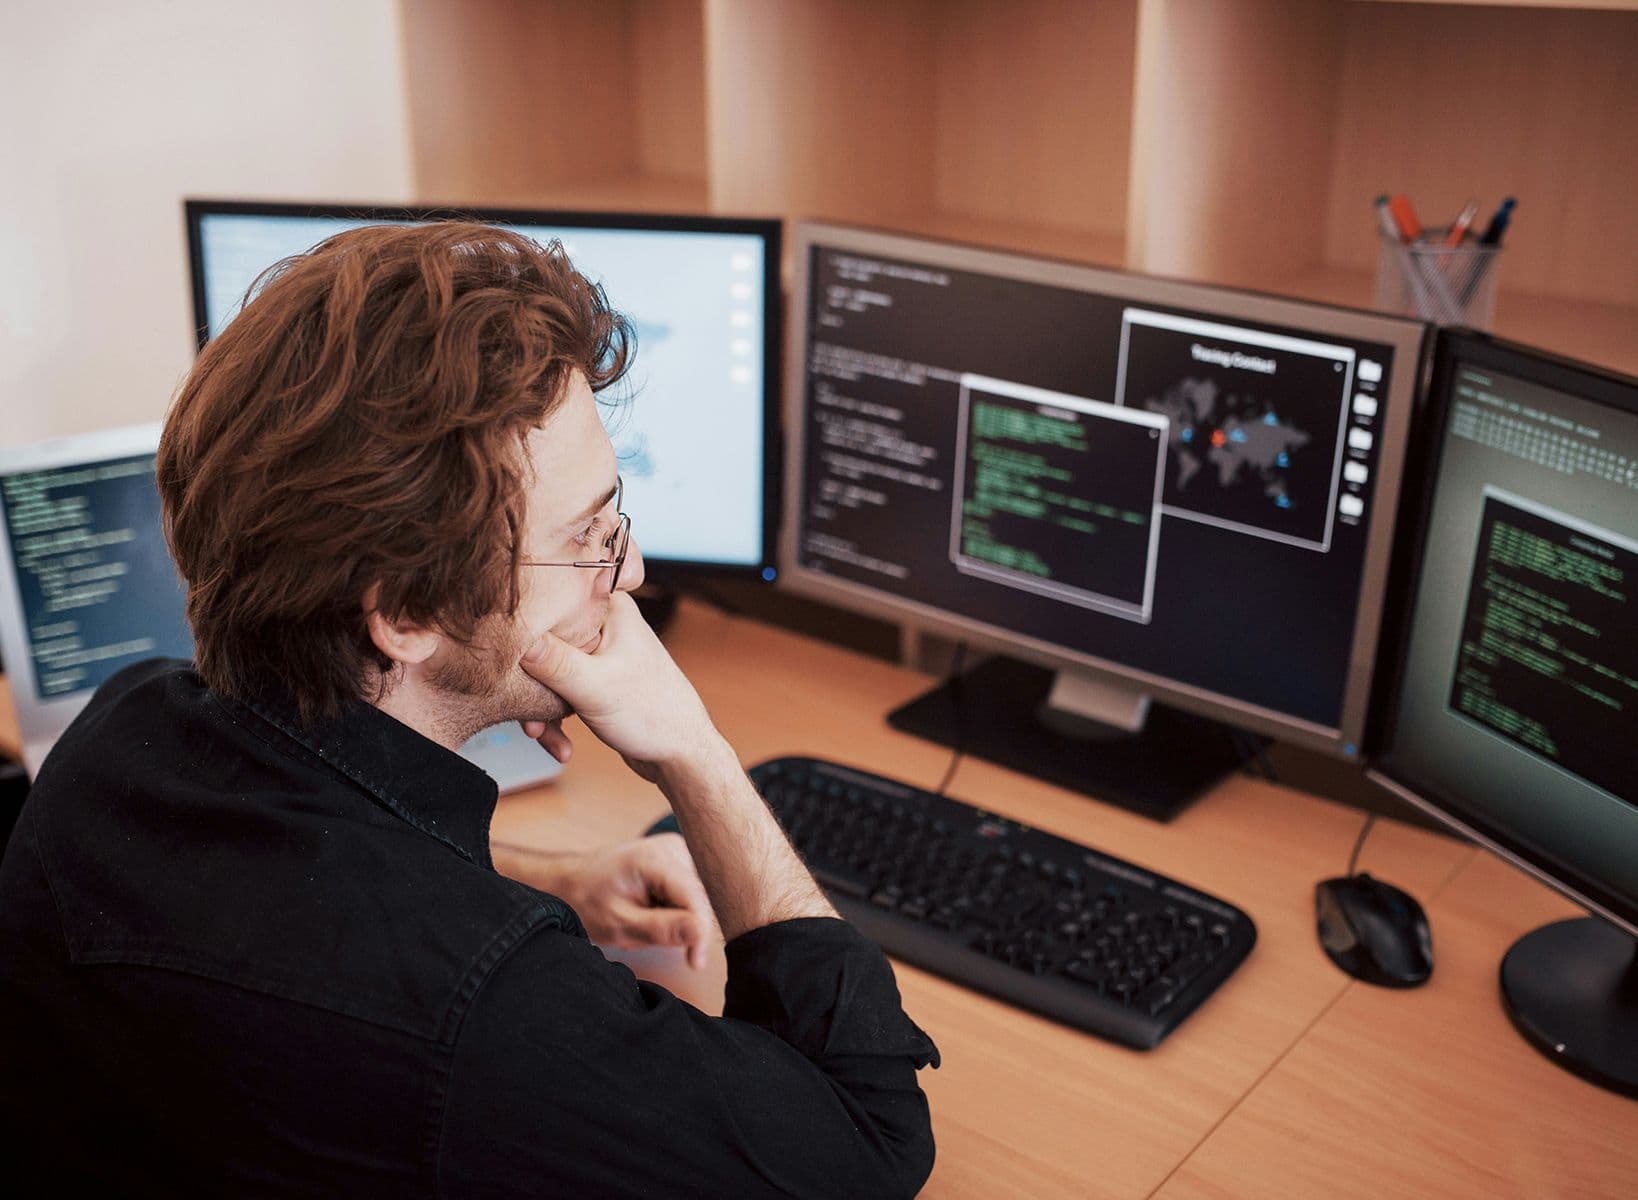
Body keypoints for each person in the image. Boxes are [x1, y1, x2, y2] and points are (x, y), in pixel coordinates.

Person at [0, 223, 938, 1197]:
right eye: (589, 536)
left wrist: (553, 884)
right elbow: (867, 1143)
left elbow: (308, 885)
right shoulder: (485, 1012)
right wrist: (694, 754)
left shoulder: (123, 730)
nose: (630, 572)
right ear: (408, 614)